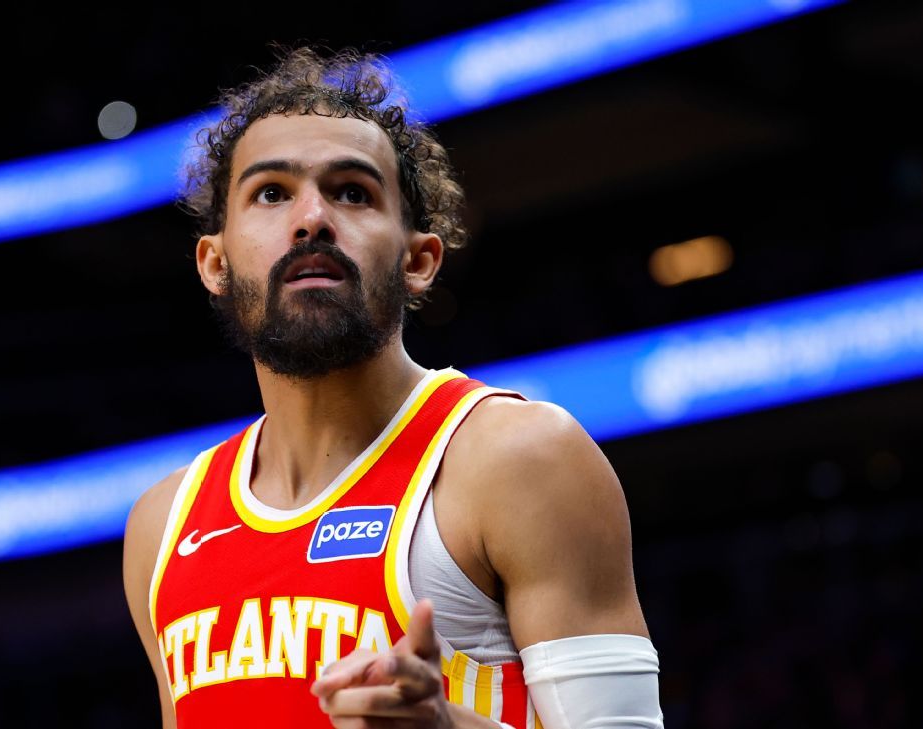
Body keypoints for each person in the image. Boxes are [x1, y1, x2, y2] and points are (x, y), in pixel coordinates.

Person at [122, 48, 663, 729]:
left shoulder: (519, 457)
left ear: (419, 260)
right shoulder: (162, 527)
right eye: (271, 193)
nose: (311, 218)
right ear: (215, 262)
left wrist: (447, 726)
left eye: (352, 192)